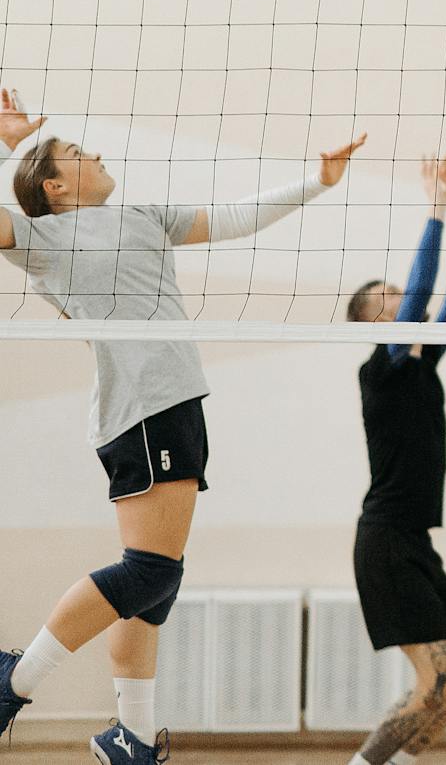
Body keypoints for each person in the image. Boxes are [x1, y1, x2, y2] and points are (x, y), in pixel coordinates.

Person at [0, 92, 366, 765]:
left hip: (173, 404)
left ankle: (132, 736)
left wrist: (319, 180)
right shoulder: (45, 239)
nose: (98, 154)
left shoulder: (140, 216)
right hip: (144, 409)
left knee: (156, 583)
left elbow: (234, 217)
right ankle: (13, 681)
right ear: (54, 185)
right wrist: (6, 141)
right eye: (79, 154)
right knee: (149, 571)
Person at [343, 157, 446, 765]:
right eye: (389, 299)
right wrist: (435, 210)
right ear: (375, 323)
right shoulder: (379, 370)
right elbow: (422, 296)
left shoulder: (423, 362)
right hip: (385, 544)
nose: (401, 298)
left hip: (415, 542)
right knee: (432, 683)